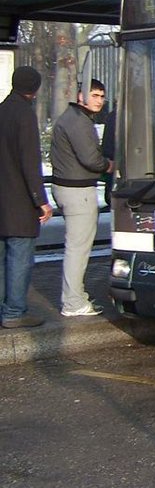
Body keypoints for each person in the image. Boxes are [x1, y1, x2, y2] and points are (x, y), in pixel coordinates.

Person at [50, 78, 111, 318]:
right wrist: (108, 165)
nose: (99, 101)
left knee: (76, 247)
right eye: (94, 95)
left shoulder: (70, 117)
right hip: (78, 191)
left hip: (66, 187)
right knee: (78, 249)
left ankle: (75, 296)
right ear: (80, 96)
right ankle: (73, 302)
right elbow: (91, 159)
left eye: (102, 96)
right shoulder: (80, 121)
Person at [0, 67, 53, 329]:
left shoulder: (2, 110)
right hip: (19, 205)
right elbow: (30, 163)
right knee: (19, 260)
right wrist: (41, 200)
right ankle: (14, 311)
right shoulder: (25, 115)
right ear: (34, 89)